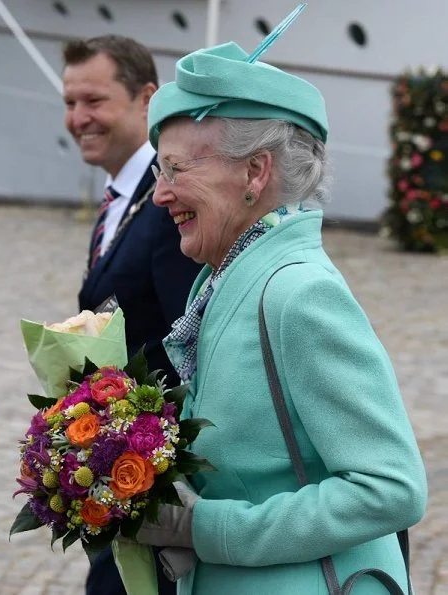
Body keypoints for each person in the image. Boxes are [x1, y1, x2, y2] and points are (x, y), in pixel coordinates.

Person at [128, 39, 428, 594]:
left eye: (175, 169)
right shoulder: (230, 278)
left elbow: (391, 488)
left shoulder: (299, 293)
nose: (161, 194)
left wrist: (205, 527)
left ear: (255, 172)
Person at [62, 35, 202, 595]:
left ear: (147, 99)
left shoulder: (168, 199)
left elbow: (187, 341)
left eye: (94, 101)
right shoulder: (122, 193)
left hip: (150, 483)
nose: (78, 118)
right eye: (70, 103)